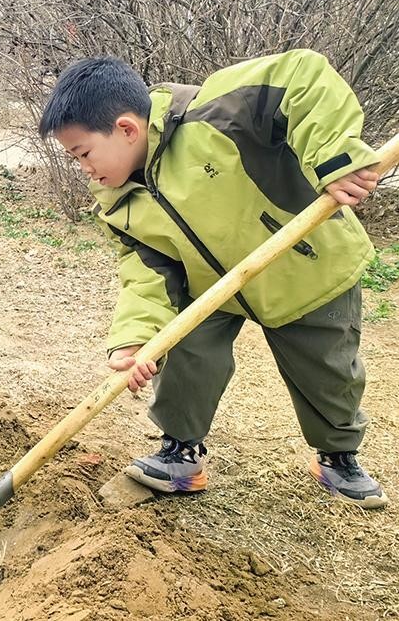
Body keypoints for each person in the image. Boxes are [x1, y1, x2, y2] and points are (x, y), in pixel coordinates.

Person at [39, 50, 388, 509]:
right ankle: (181, 450)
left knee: (329, 371)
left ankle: (337, 455)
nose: (83, 168)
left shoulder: (216, 111)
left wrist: (335, 156)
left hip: (309, 266)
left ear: (126, 129)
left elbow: (303, 74)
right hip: (213, 288)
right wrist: (135, 337)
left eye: (83, 153)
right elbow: (147, 267)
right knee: (184, 347)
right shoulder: (117, 195)